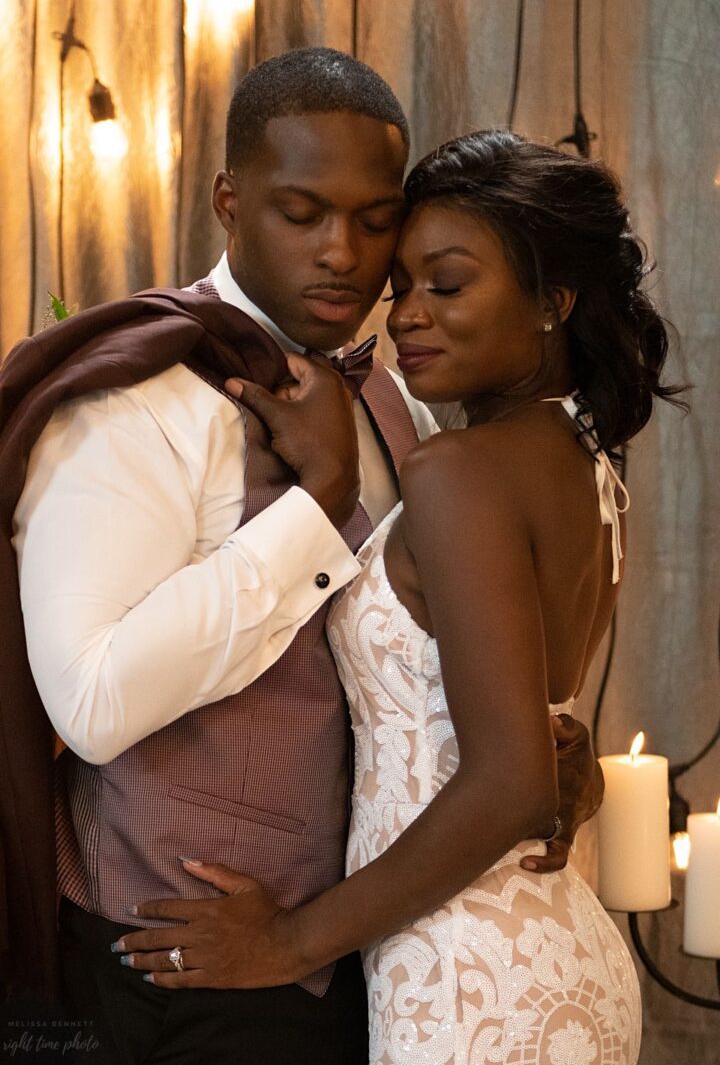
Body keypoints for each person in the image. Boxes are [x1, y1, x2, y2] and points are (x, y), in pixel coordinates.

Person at [3, 52, 600, 1064]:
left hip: (349, 958)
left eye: (376, 221)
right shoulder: (132, 402)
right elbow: (91, 705)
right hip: (164, 967)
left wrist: (547, 757)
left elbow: (418, 652)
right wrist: (316, 508)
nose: (344, 254)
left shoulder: (397, 400)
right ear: (231, 203)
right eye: (302, 212)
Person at [115, 130, 685, 1063]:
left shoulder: (460, 470)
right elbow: (533, 742)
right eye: (403, 289)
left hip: (466, 974)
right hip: (542, 950)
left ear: (554, 303)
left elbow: (508, 783)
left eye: (447, 286)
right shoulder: (583, 466)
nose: (408, 317)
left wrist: (288, 942)